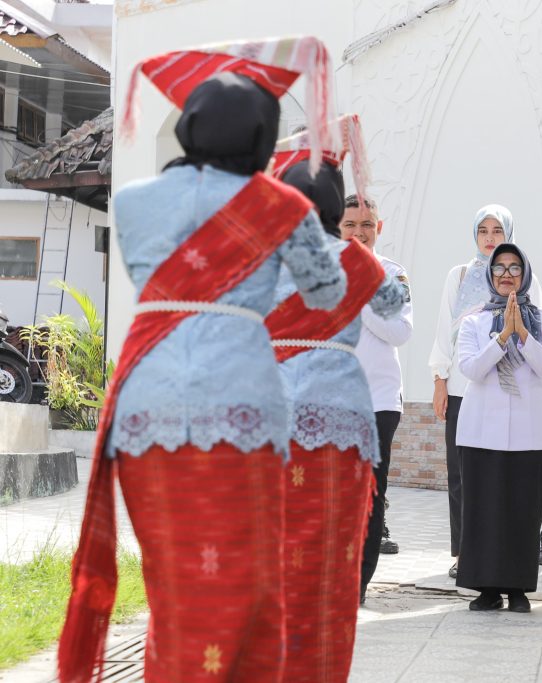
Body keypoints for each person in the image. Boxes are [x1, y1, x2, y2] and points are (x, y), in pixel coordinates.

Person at [59, 37, 345, 683]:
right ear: (263, 137)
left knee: (172, 587)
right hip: (238, 402)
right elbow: (326, 292)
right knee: (243, 583)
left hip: (146, 399)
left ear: (187, 127)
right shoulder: (284, 207)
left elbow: (146, 272)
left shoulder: (131, 200)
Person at [267, 134, 405, 680]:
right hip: (343, 416)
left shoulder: (270, 258)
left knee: (274, 536)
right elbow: (393, 302)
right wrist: (364, 253)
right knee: (333, 545)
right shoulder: (357, 258)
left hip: (274, 410)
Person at [428, 204, 542, 579]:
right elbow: (444, 328)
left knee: (506, 477)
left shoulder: (526, 278)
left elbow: (539, 330)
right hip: (464, 385)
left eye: (497, 230)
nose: (490, 238)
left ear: (509, 235)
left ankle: (505, 556)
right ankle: (465, 552)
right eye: (483, 231)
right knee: (461, 474)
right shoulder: (459, 275)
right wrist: (439, 380)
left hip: (508, 391)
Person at [455, 243, 542, 613]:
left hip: (528, 433)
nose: (506, 274)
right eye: (499, 268)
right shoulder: (474, 321)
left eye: (514, 268)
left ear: (525, 274)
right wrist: (502, 338)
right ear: (490, 275)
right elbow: (469, 369)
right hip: (481, 430)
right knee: (484, 509)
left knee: (522, 510)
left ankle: (517, 589)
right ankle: (486, 588)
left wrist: (523, 335)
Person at [346, 194, 415, 602]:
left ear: (379, 228)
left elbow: (400, 332)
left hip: (379, 402)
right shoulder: (321, 272)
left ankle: (358, 583)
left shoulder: (392, 275)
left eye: (366, 224)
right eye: (350, 224)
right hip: (330, 403)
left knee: (370, 496)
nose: (359, 233)